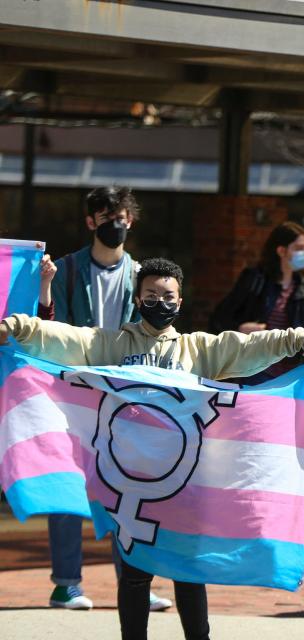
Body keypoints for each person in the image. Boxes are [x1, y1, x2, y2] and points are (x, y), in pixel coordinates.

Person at [1, 257, 304, 640]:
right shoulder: (109, 345)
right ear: (137, 298)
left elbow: (246, 345)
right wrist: (15, 327)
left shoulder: (198, 350)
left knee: (188, 573)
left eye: (168, 296)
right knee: (134, 575)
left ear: (180, 302)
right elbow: (65, 338)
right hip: (133, 488)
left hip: (186, 487)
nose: (160, 302)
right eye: (151, 295)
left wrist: (299, 339)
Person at [44, 186, 171, 611]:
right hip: (73, 392)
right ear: (90, 221)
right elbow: (51, 326)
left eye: (119, 215)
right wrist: (45, 287)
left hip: (124, 394)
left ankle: (134, 581)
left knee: (130, 487)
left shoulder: (142, 276)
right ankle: (66, 584)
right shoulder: (65, 270)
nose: (113, 223)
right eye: (104, 215)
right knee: (69, 485)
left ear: (130, 220)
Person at [209, 221, 304, 381]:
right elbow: (219, 318)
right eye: (299, 248)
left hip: (289, 376)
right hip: (254, 370)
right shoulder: (255, 279)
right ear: (281, 251)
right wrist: (240, 328)